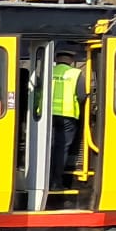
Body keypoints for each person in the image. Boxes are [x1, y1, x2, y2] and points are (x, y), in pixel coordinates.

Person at [48, 45, 84, 179]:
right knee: (61, 148)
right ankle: (56, 180)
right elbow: (82, 95)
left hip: (46, 116)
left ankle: (44, 178)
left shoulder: (48, 71)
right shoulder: (76, 74)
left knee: (48, 147)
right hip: (67, 116)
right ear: (71, 60)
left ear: (56, 59)